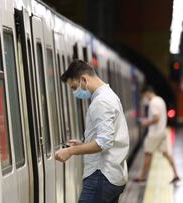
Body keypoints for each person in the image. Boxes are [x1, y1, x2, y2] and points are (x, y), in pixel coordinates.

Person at [55, 60, 129, 203]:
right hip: (111, 174)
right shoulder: (109, 95)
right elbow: (106, 136)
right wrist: (83, 143)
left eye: (74, 87)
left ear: (83, 79)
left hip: (101, 174)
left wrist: (71, 151)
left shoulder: (101, 102)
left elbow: (103, 143)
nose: (75, 92)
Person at [134, 86, 180, 183]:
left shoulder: (153, 103)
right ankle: (176, 174)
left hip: (154, 134)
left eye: (144, 96)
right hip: (162, 132)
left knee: (147, 154)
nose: (145, 98)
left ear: (147, 93)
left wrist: (145, 122)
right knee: (166, 154)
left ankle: (142, 177)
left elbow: (156, 118)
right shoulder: (160, 100)